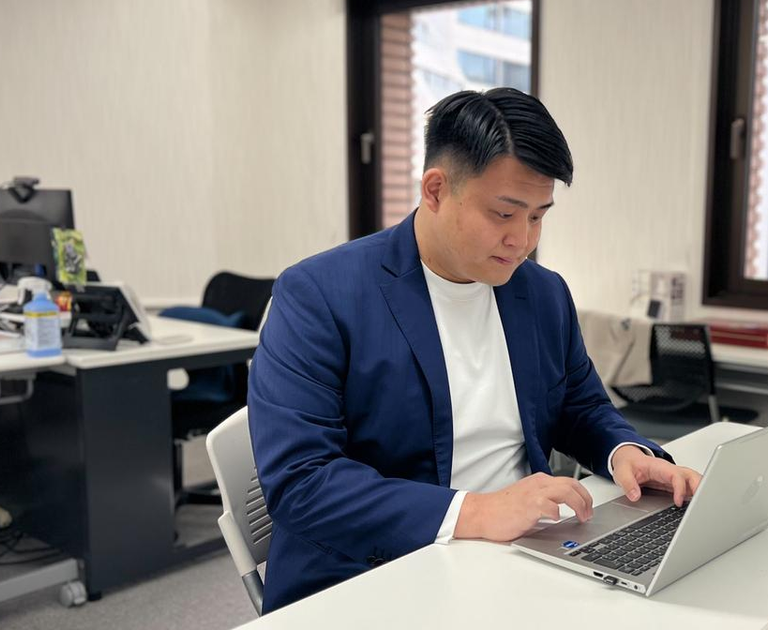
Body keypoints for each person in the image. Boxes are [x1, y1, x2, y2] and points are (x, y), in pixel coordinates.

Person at [248, 88, 702, 613]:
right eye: (504, 214)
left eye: (538, 216)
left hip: (520, 556)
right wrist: (476, 512)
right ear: (436, 190)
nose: (522, 241)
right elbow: (301, 481)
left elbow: (580, 406)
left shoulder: (542, 293)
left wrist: (627, 454)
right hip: (373, 575)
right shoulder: (321, 294)